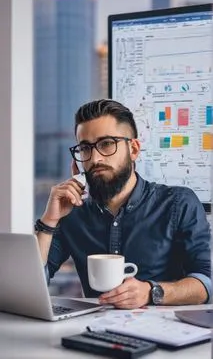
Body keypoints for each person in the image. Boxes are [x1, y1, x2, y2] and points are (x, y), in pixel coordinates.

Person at [36, 99, 211, 309]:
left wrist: (152, 291)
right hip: (93, 330)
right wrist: (49, 221)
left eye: (106, 143)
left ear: (134, 149)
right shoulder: (73, 212)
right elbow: (31, 283)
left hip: (163, 332)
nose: (95, 158)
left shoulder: (178, 203)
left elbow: (206, 283)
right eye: (85, 148)